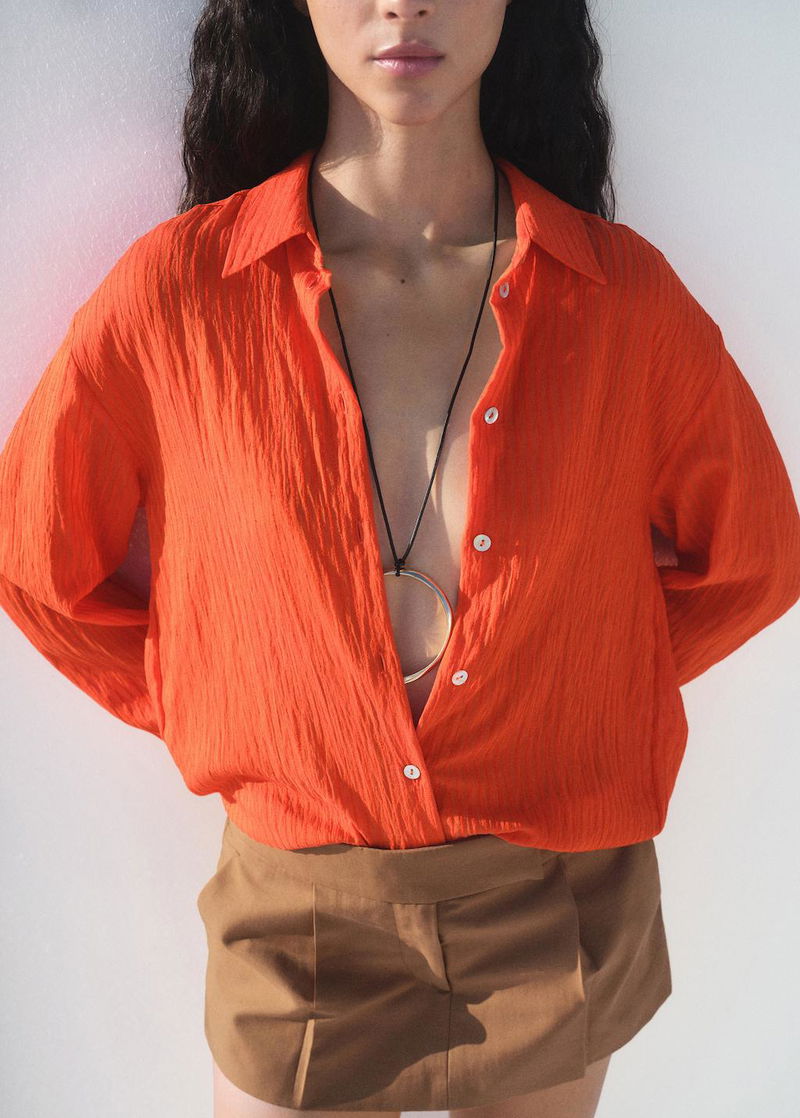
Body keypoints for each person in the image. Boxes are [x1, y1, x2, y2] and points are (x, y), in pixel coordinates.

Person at [2, 2, 799, 1117]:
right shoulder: (178, 298)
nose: (405, 2)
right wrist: (243, 700)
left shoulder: (623, 302)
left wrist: (577, 680)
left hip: (556, 895)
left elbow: (752, 557)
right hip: (297, 914)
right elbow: (38, 562)